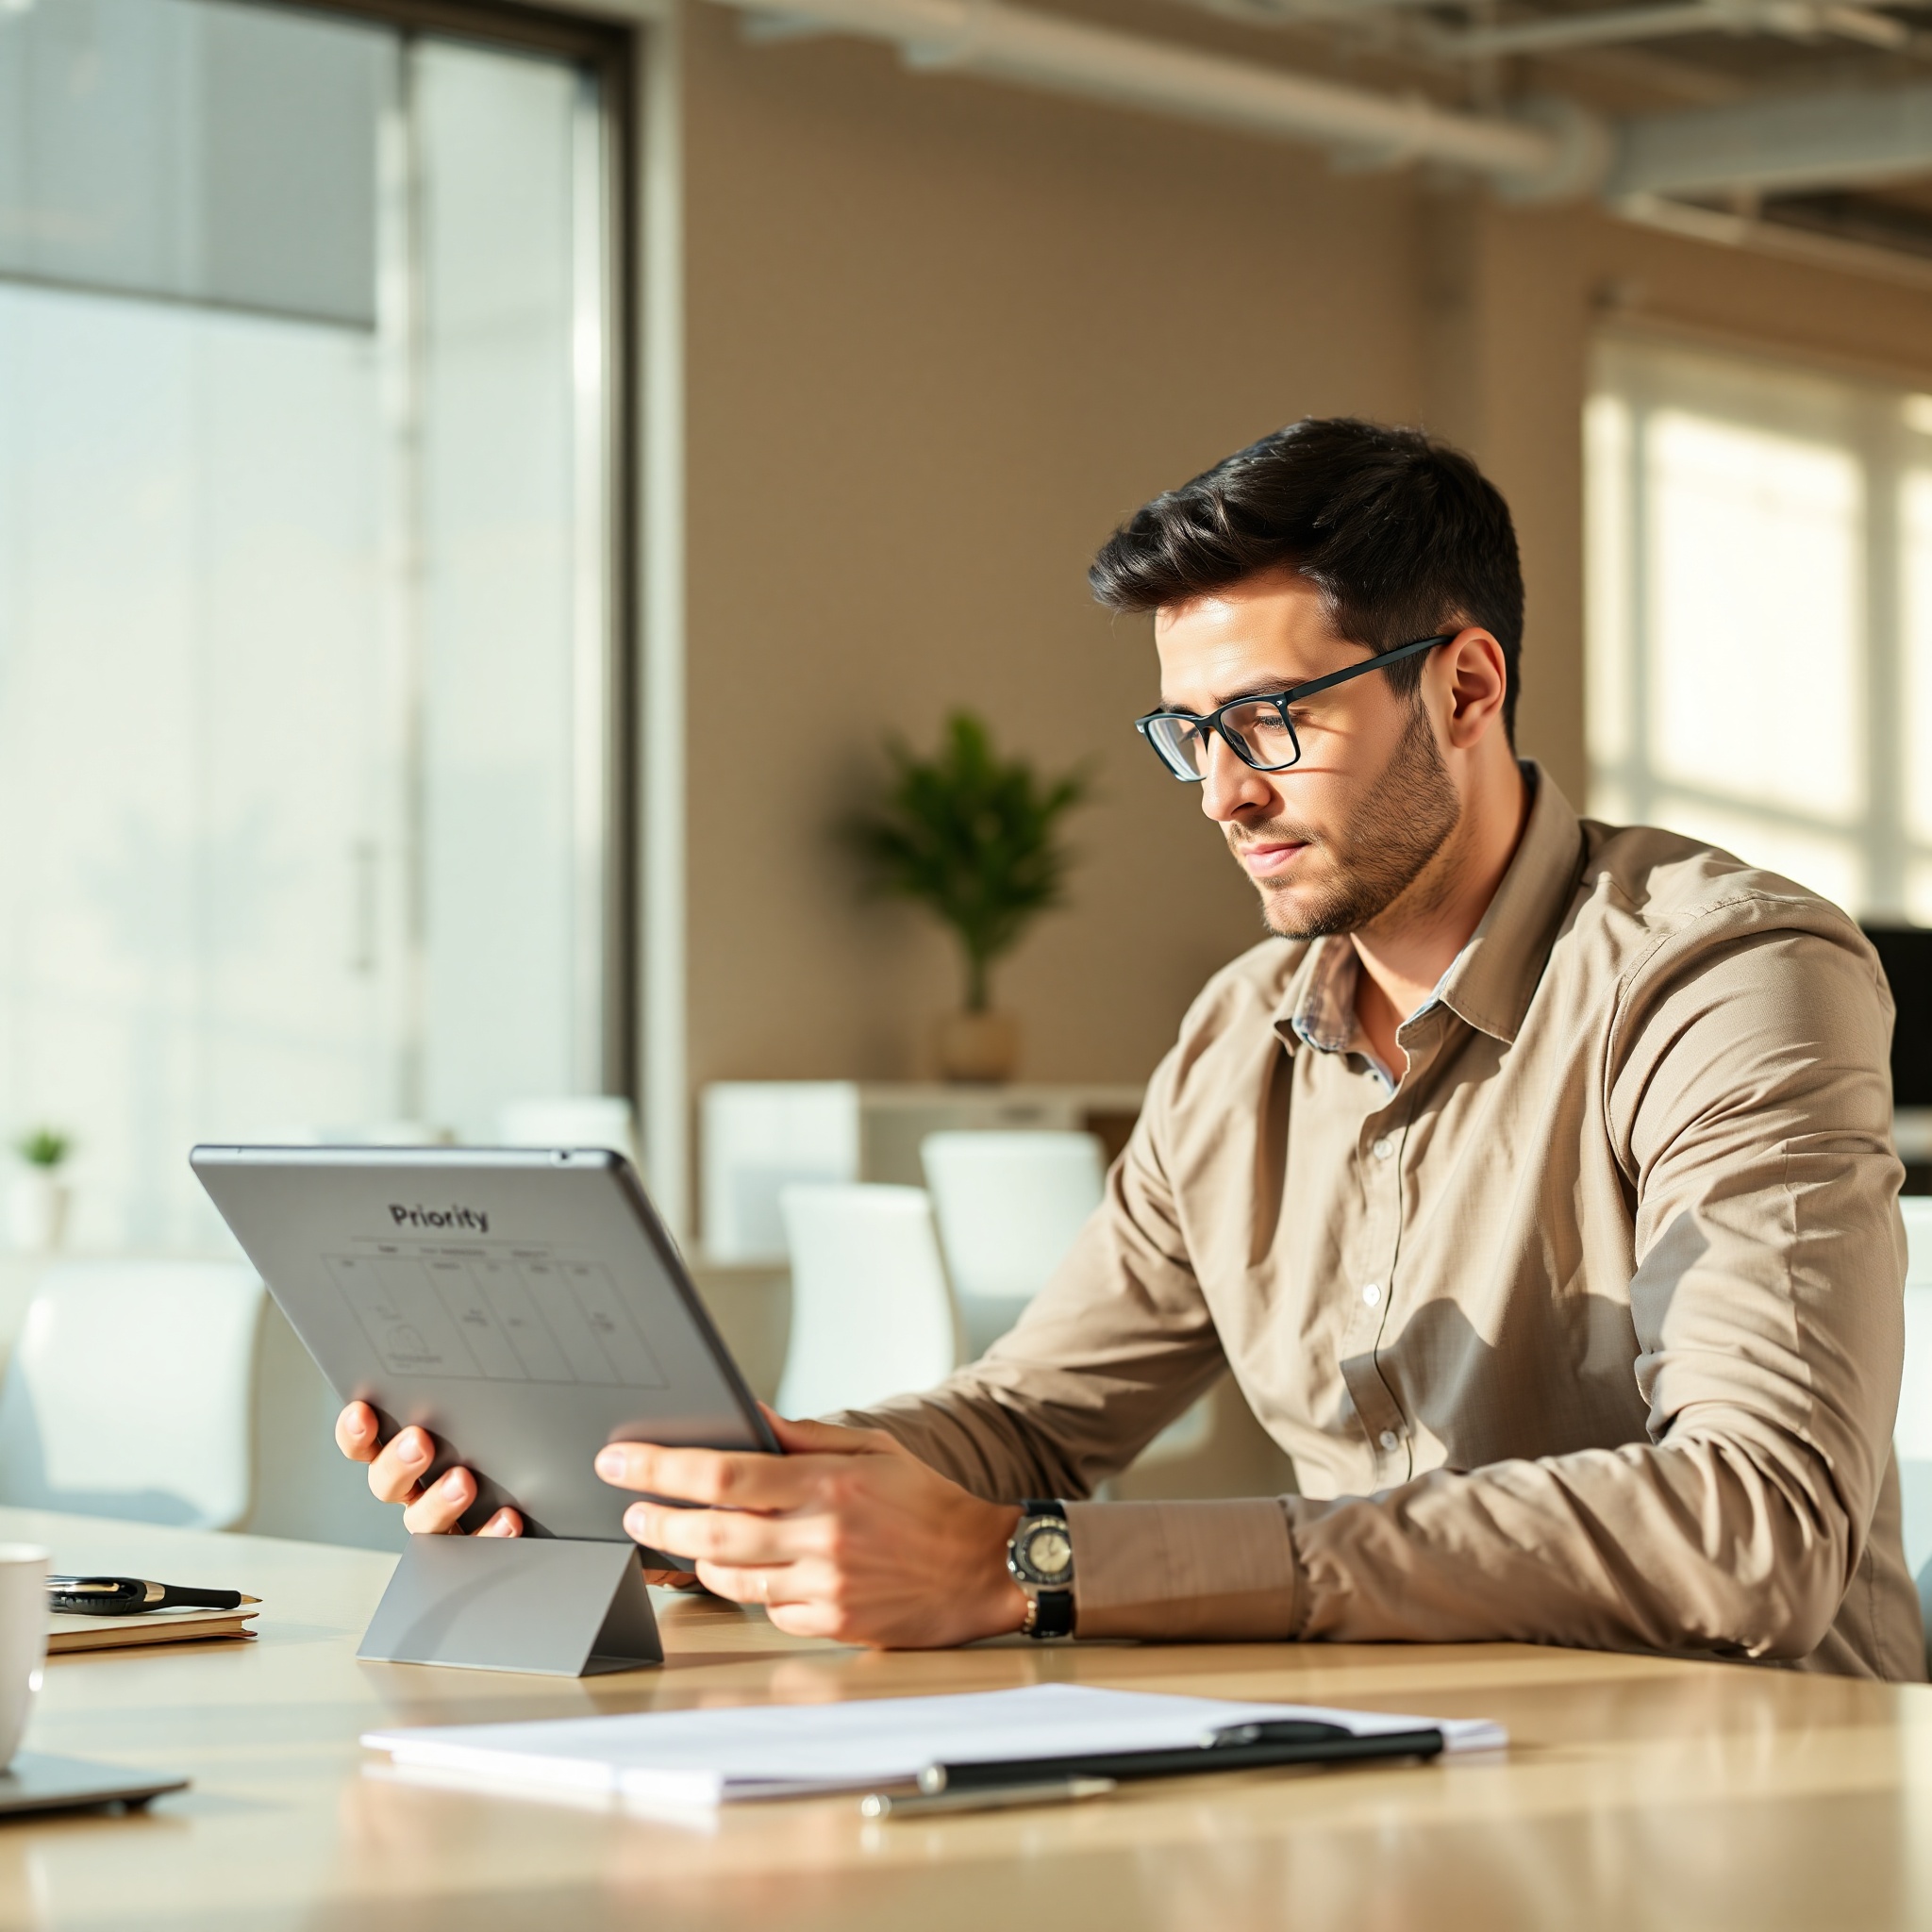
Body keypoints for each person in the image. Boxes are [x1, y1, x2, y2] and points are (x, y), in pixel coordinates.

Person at [339, 418, 1923, 1676]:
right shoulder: (1243, 1037)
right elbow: (1032, 1422)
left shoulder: (1726, 978)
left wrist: (1032, 1567)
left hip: (1749, 1783)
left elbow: (1757, 1527)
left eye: (1271, 719)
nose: (1222, 793)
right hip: (1389, 1760)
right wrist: (697, 1490)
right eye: (1190, 734)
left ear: (1464, 683)